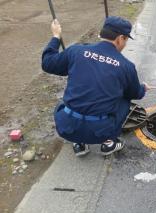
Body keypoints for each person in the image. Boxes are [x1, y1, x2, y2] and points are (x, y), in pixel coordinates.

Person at [42, 16, 149, 157]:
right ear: (120, 38)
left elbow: (48, 63)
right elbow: (135, 93)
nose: (125, 44)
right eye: (126, 40)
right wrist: (143, 88)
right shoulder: (126, 66)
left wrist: (56, 36)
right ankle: (109, 142)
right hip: (100, 132)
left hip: (66, 127)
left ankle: (78, 143)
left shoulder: (76, 51)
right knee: (125, 99)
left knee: (67, 100)